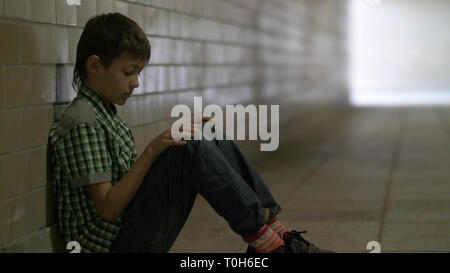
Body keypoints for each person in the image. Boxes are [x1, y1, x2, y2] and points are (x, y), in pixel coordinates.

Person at [47, 13, 333, 253]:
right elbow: (108, 208)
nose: (136, 82)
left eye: (138, 73)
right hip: (114, 246)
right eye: (128, 72)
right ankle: (265, 240)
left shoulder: (103, 112)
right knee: (190, 144)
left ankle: (274, 230)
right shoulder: (82, 121)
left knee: (201, 129)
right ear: (95, 65)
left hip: (127, 232)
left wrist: (164, 145)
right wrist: (152, 150)